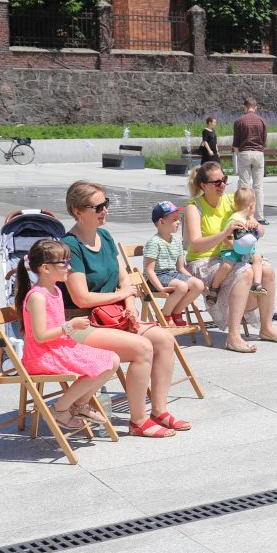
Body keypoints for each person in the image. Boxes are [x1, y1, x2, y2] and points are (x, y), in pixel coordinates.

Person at [62, 180, 188, 436]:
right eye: (98, 207)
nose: (105, 210)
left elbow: (124, 278)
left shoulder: (105, 236)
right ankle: (138, 420)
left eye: (105, 204)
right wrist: (119, 295)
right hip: (80, 324)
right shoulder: (70, 246)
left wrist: (129, 304)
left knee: (163, 339)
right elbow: (81, 299)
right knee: (142, 347)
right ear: (78, 211)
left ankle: (159, 410)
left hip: (112, 317)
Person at [14, 238, 121, 432]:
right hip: (42, 355)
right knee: (98, 365)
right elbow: (40, 336)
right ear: (46, 268)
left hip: (59, 348)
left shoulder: (55, 290)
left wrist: (70, 329)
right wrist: (70, 326)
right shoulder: (37, 296)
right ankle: (60, 409)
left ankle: (79, 405)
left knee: (112, 359)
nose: (68, 267)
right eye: (64, 263)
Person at [182, 162, 277, 354]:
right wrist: (225, 234)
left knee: (266, 269)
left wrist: (255, 225)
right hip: (203, 261)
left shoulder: (232, 201)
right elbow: (195, 243)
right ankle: (233, 336)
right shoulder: (194, 207)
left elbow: (260, 230)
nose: (222, 185)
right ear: (203, 185)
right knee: (246, 272)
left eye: (224, 180)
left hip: (231, 254)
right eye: (216, 182)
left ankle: (266, 327)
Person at [144, 201, 205, 320]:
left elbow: (180, 268)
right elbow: (149, 270)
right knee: (181, 287)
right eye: (174, 219)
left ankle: (176, 311)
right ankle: (165, 314)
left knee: (198, 285)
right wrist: (160, 288)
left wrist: (192, 278)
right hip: (156, 277)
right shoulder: (154, 243)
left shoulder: (177, 241)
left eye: (178, 219)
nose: (178, 222)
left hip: (173, 275)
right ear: (161, 222)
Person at [205, 186, 265, 301]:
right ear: (252, 205)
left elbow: (260, 234)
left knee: (257, 258)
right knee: (227, 265)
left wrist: (256, 225)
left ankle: (257, 284)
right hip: (230, 249)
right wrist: (236, 248)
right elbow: (226, 238)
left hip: (246, 249)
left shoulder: (250, 219)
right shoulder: (234, 219)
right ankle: (214, 287)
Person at [232, 97, 268, 224]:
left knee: (244, 185)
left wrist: (238, 154)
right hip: (258, 153)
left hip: (244, 153)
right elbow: (264, 142)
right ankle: (260, 216)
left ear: (244, 107)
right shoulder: (262, 121)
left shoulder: (239, 121)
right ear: (256, 107)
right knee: (258, 186)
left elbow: (236, 142)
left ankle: (244, 214)